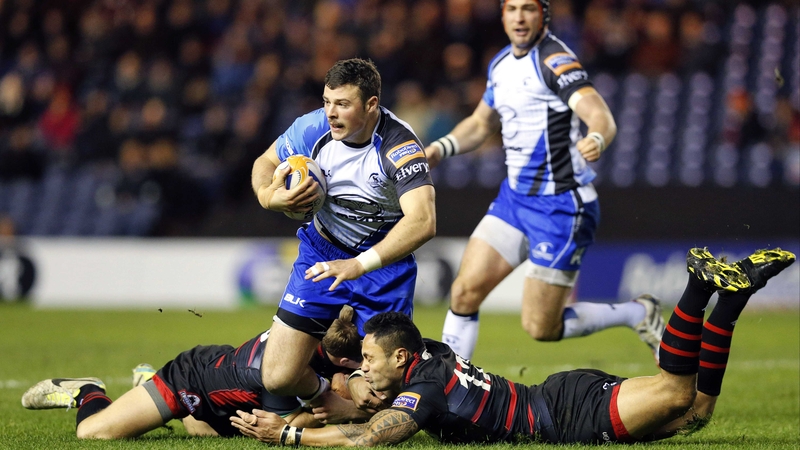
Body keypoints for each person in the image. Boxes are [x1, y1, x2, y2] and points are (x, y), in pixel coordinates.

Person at [230, 247, 795, 446]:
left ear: (401, 359)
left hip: (570, 416)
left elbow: (367, 437)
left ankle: (698, 288)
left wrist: (291, 433)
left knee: (678, 397)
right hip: (559, 396)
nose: (365, 371)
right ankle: (733, 300)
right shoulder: (427, 354)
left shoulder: (422, 390)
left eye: (371, 363)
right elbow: (364, 387)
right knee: (696, 416)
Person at [424, 0, 659, 360]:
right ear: (502, 15)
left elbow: (600, 114)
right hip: (515, 201)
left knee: (540, 327)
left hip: (561, 206)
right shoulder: (501, 62)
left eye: (529, 9)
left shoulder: (553, 60)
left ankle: (636, 313)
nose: (520, 17)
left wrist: (596, 137)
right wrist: (441, 148)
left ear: (543, 15)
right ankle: (451, 388)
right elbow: (481, 123)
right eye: (512, 8)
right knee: (464, 292)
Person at [250, 58, 436, 409]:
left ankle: (358, 395)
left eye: (343, 104)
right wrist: (268, 197)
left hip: (383, 266)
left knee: (384, 397)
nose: (331, 113)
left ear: (371, 105)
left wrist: (359, 264)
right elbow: (265, 162)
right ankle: (337, 398)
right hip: (321, 253)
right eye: (327, 102)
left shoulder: (399, 147)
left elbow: (424, 220)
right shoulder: (312, 128)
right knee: (278, 377)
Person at [20, 306, 368, 439]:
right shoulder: (285, 367)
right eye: (357, 366)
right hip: (189, 380)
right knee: (95, 434)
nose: (361, 370)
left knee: (203, 432)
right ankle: (88, 391)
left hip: (230, 393)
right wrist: (351, 410)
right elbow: (284, 426)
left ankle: (143, 383)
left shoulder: (318, 340)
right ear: (340, 361)